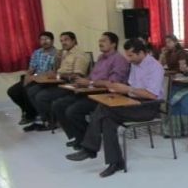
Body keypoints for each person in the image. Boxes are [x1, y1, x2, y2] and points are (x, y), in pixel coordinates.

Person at [66, 38, 165, 177]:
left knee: (105, 109)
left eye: (131, 55)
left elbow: (152, 95)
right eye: (127, 55)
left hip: (148, 106)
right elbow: (131, 87)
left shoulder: (155, 67)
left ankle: (90, 149)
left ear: (142, 53)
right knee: (108, 119)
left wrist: (127, 89)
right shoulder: (136, 64)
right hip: (133, 101)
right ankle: (115, 162)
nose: (128, 59)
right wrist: (118, 90)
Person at [51, 32, 130, 149]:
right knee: (57, 104)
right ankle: (80, 136)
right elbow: (91, 76)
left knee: (72, 111)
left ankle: (86, 139)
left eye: (103, 41)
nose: (100, 43)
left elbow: (113, 84)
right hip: (89, 91)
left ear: (113, 44)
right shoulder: (101, 57)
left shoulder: (119, 60)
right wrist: (81, 82)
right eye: (99, 41)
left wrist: (90, 83)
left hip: (105, 95)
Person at [25, 32, 90, 131]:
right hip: (58, 81)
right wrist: (57, 60)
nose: (63, 43)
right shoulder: (65, 53)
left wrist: (58, 75)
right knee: (31, 90)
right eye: (61, 41)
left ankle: (52, 122)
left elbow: (77, 76)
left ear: (74, 40)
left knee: (41, 96)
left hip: (69, 85)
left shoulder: (80, 55)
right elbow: (57, 69)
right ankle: (47, 119)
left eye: (66, 40)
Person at [7, 32, 57, 125]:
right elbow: (31, 68)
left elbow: (53, 72)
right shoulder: (37, 52)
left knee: (27, 90)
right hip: (33, 78)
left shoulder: (57, 54)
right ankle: (29, 111)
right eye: (42, 39)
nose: (44, 42)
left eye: (47, 39)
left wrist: (34, 77)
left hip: (45, 80)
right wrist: (27, 77)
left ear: (52, 41)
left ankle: (30, 115)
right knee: (12, 91)